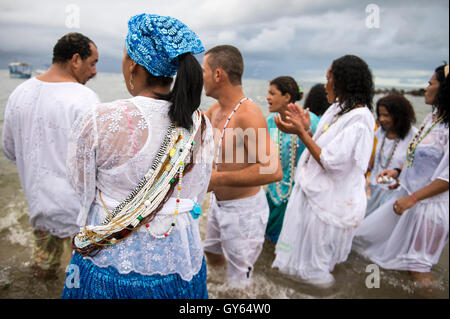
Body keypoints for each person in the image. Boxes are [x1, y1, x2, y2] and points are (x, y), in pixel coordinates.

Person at [61, 13, 213, 299]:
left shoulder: (99, 118)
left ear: (132, 63)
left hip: (110, 258)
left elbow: (78, 190)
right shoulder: (202, 124)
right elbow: (195, 195)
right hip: (180, 256)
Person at [1, 32, 100, 279]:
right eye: (92, 63)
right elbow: (97, 162)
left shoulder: (19, 93)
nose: (95, 71)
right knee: (85, 277)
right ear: (75, 59)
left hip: (40, 210)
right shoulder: (85, 98)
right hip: (79, 216)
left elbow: (10, 151)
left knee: (44, 271)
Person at [272, 55, 376, 288]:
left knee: (315, 268)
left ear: (343, 82)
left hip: (328, 204)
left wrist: (301, 133)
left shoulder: (360, 119)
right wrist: (307, 127)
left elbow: (332, 162)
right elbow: (327, 144)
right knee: (299, 260)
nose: (325, 83)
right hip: (313, 195)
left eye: (329, 78)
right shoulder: (339, 109)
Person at [353, 63, 449, 288]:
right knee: (371, 244)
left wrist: (412, 199)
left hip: (430, 207)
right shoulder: (433, 119)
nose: (425, 88)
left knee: (418, 268)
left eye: (430, 84)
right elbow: (418, 159)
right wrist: (397, 172)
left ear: (444, 89)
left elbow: (447, 178)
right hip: (410, 199)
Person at [202, 45, 283, 289]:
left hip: (244, 212)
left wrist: (217, 179)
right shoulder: (216, 109)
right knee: (212, 253)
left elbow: (273, 170)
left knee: (239, 284)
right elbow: (192, 134)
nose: (200, 77)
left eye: (203, 71)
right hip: (218, 205)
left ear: (218, 75)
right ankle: (215, 288)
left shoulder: (248, 113)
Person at [265, 76, 320, 243]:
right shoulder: (270, 122)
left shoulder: (311, 121)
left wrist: (305, 131)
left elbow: (321, 155)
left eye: (272, 93)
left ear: (287, 97)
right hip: (273, 190)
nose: (267, 97)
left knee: (290, 242)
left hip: (300, 193)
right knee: (267, 241)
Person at [365, 94, 417, 216]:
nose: (381, 119)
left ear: (399, 115)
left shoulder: (414, 136)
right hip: (373, 188)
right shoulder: (380, 132)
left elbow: (415, 165)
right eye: (380, 115)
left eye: (386, 115)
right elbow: (373, 159)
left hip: (394, 192)